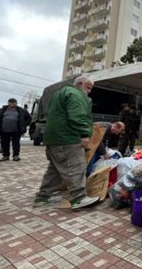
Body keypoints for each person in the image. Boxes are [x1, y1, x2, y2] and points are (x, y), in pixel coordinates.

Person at [34, 76, 99, 210]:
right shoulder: (75, 93)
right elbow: (77, 115)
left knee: (54, 170)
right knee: (76, 167)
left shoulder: (59, 93)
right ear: (80, 84)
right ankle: (78, 198)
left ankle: (42, 198)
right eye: (88, 88)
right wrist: (84, 133)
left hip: (53, 139)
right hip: (68, 138)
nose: (89, 91)